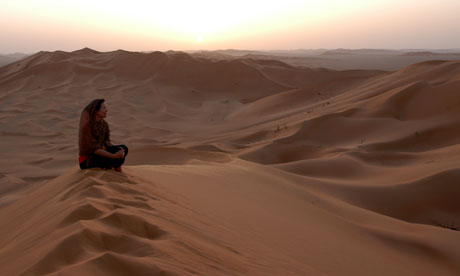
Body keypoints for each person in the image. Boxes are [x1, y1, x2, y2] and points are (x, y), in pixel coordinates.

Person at [78, 99, 128, 172]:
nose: (106, 110)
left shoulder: (104, 124)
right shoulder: (87, 126)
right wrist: (114, 155)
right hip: (88, 161)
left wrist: (117, 149)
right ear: (96, 110)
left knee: (123, 148)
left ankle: (114, 170)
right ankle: (118, 172)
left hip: (100, 154)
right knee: (115, 154)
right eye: (104, 108)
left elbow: (106, 141)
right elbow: (94, 149)